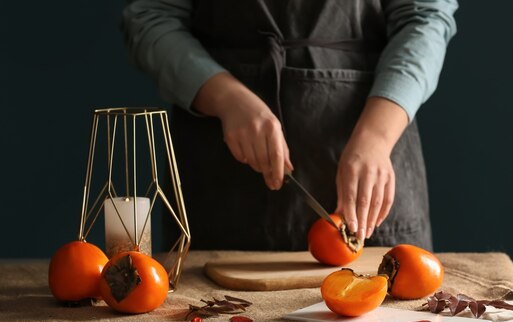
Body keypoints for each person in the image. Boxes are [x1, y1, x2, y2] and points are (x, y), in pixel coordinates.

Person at [122, 0, 457, 251]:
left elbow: (425, 18)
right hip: (220, 176)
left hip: (375, 143)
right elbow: (151, 18)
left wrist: (376, 137)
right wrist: (226, 99)